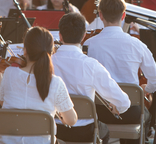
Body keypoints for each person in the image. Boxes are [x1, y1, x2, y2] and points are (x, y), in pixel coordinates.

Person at [85, 0, 156, 144]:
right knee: (145, 115)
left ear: (100, 15)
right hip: (130, 111)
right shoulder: (137, 44)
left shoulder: (90, 44)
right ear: (124, 15)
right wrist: (147, 89)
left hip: (99, 111)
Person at [52, 12, 130, 144]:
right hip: (84, 131)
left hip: (55, 128)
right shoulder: (91, 65)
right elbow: (123, 102)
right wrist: (120, 107)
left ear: (60, 36)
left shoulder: (48, 63)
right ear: (83, 36)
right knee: (104, 131)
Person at [0, 26, 77, 144]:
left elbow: (2, 102)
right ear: (51, 51)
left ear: (25, 49)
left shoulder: (9, 72)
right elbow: (71, 120)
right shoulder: (55, 83)